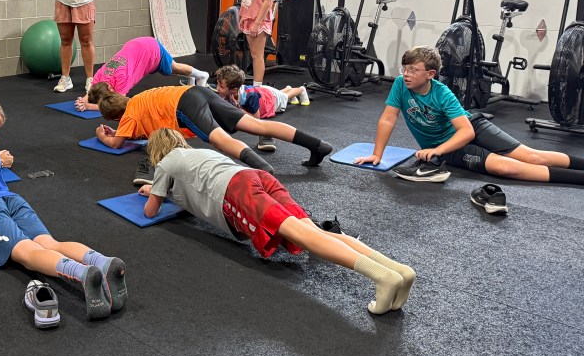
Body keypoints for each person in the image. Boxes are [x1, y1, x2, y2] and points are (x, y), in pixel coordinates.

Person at [138, 129, 416, 314]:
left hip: (238, 191)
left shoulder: (165, 164)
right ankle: (398, 270)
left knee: (306, 238)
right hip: (256, 177)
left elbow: (151, 211)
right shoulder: (196, 153)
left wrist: (154, 189)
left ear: (157, 151)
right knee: (313, 231)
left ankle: (382, 277)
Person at [0, 134, 126, 321]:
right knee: (49, 243)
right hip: (12, 199)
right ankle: (101, 261)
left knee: (29, 253)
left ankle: (81, 273)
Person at [354, 45, 584, 192]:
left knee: (532, 156)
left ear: (430, 74)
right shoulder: (399, 85)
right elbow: (388, 119)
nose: (406, 74)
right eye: (404, 68)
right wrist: (377, 154)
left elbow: (467, 132)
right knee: (507, 168)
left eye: (413, 70)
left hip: (470, 128)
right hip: (447, 146)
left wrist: (437, 151)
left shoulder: (442, 93)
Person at [94, 85, 334, 180]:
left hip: (184, 105)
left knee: (219, 139)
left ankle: (262, 168)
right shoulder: (139, 100)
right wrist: (121, 130)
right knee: (256, 126)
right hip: (197, 91)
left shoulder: (130, 114)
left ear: (117, 116)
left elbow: (116, 144)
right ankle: (317, 145)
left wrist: (103, 135)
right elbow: (136, 130)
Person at [73, 36, 209, 111]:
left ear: (109, 88)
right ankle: (192, 79)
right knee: (171, 70)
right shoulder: (100, 75)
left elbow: (119, 104)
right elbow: (91, 91)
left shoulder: (122, 76)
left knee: (172, 68)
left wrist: (89, 106)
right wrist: (83, 100)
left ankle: (202, 75)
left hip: (150, 48)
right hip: (136, 46)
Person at [213, 65, 309, 139]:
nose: (217, 88)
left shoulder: (250, 97)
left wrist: (238, 108)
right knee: (280, 94)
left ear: (234, 90)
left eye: (221, 87)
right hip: (263, 92)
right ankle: (287, 88)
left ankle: (300, 90)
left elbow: (256, 119)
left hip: (271, 99)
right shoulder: (231, 93)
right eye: (217, 84)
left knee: (285, 97)